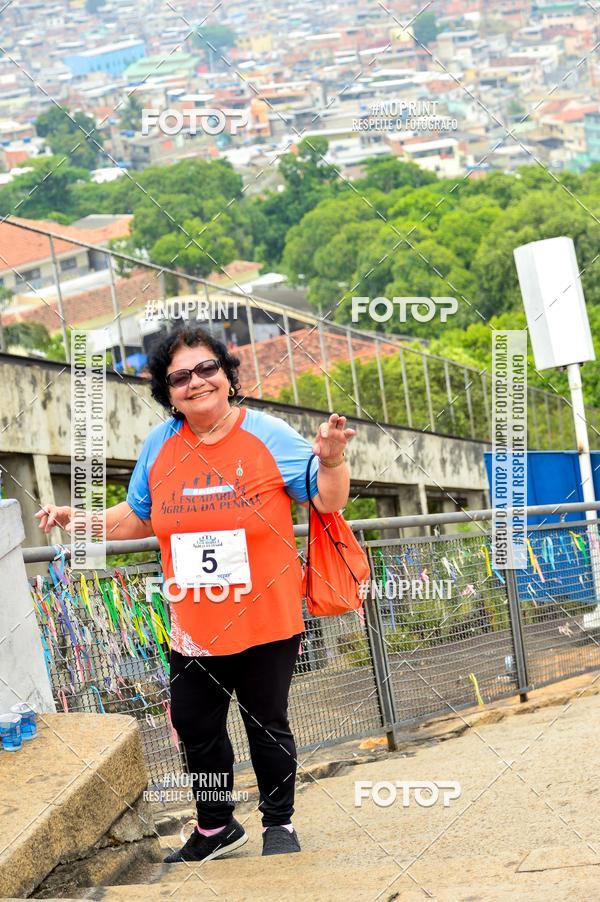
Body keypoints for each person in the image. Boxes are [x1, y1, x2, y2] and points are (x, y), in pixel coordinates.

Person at [36, 324, 355, 863]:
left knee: (266, 724)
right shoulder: (160, 444)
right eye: (179, 377)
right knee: (195, 725)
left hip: (265, 617)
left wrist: (331, 461)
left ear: (227, 375)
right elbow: (137, 519)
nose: (195, 382)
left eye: (206, 368)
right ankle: (216, 826)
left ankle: (280, 822)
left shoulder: (269, 434)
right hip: (194, 626)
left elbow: (327, 502)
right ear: (168, 392)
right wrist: (77, 519)